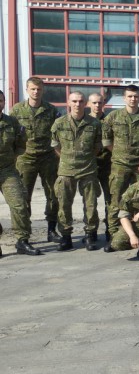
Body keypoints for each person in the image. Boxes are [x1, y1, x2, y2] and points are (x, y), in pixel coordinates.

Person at [102, 85, 139, 239]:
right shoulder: (113, 117)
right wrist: (119, 153)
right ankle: (113, 233)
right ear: (124, 98)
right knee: (116, 199)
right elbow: (106, 141)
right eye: (129, 96)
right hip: (120, 165)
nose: (133, 99)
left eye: (135, 96)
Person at [11, 76, 61, 243]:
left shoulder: (51, 110)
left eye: (39, 89)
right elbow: (12, 134)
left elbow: (58, 133)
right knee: (24, 196)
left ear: (43, 90)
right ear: (27, 90)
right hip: (26, 158)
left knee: (53, 194)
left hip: (48, 157)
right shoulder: (17, 110)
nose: (36, 92)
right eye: (33, 89)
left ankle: (52, 230)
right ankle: (24, 234)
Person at [51, 92, 103, 251]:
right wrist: (67, 158)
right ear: (68, 102)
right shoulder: (59, 123)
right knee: (64, 204)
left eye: (80, 101)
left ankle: (90, 235)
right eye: (74, 101)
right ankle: (66, 237)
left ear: (85, 103)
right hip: (66, 169)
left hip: (88, 168)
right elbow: (56, 145)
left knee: (91, 204)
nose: (77, 104)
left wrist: (85, 157)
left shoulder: (94, 123)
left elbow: (97, 146)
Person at [0, 90, 38, 256]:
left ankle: (22, 241)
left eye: (1, 101)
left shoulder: (12, 122)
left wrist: (12, 157)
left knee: (19, 204)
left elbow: (21, 144)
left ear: (4, 103)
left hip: (7, 170)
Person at [88, 92, 112, 239]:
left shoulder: (109, 120)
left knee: (110, 199)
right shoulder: (85, 121)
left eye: (100, 102)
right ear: (89, 104)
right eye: (94, 103)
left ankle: (110, 229)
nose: (97, 105)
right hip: (90, 166)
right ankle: (91, 232)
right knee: (90, 200)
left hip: (108, 165)